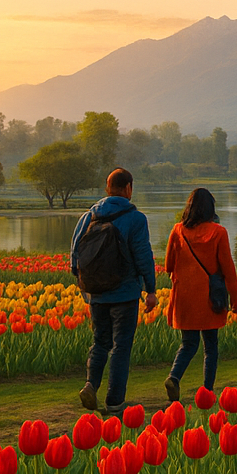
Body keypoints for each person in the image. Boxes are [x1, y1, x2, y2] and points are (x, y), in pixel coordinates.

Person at [70, 168, 158, 416]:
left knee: (100, 342)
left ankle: (90, 384)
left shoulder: (88, 217)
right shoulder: (136, 218)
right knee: (121, 346)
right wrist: (150, 290)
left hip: (96, 294)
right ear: (128, 187)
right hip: (126, 293)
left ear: (107, 187)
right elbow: (143, 256)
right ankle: (115, 401)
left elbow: (75, 255)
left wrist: (86, 285)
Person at [163, 188, 237, 401]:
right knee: (211, 346)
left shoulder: (177, 230)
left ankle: (174, 377)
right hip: (211, 298)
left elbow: (168, 266)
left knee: (189, 344)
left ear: (189, 208)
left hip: (185, 298)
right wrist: (236, 299)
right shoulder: (219, 232)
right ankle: (207, 391)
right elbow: (228, 270)